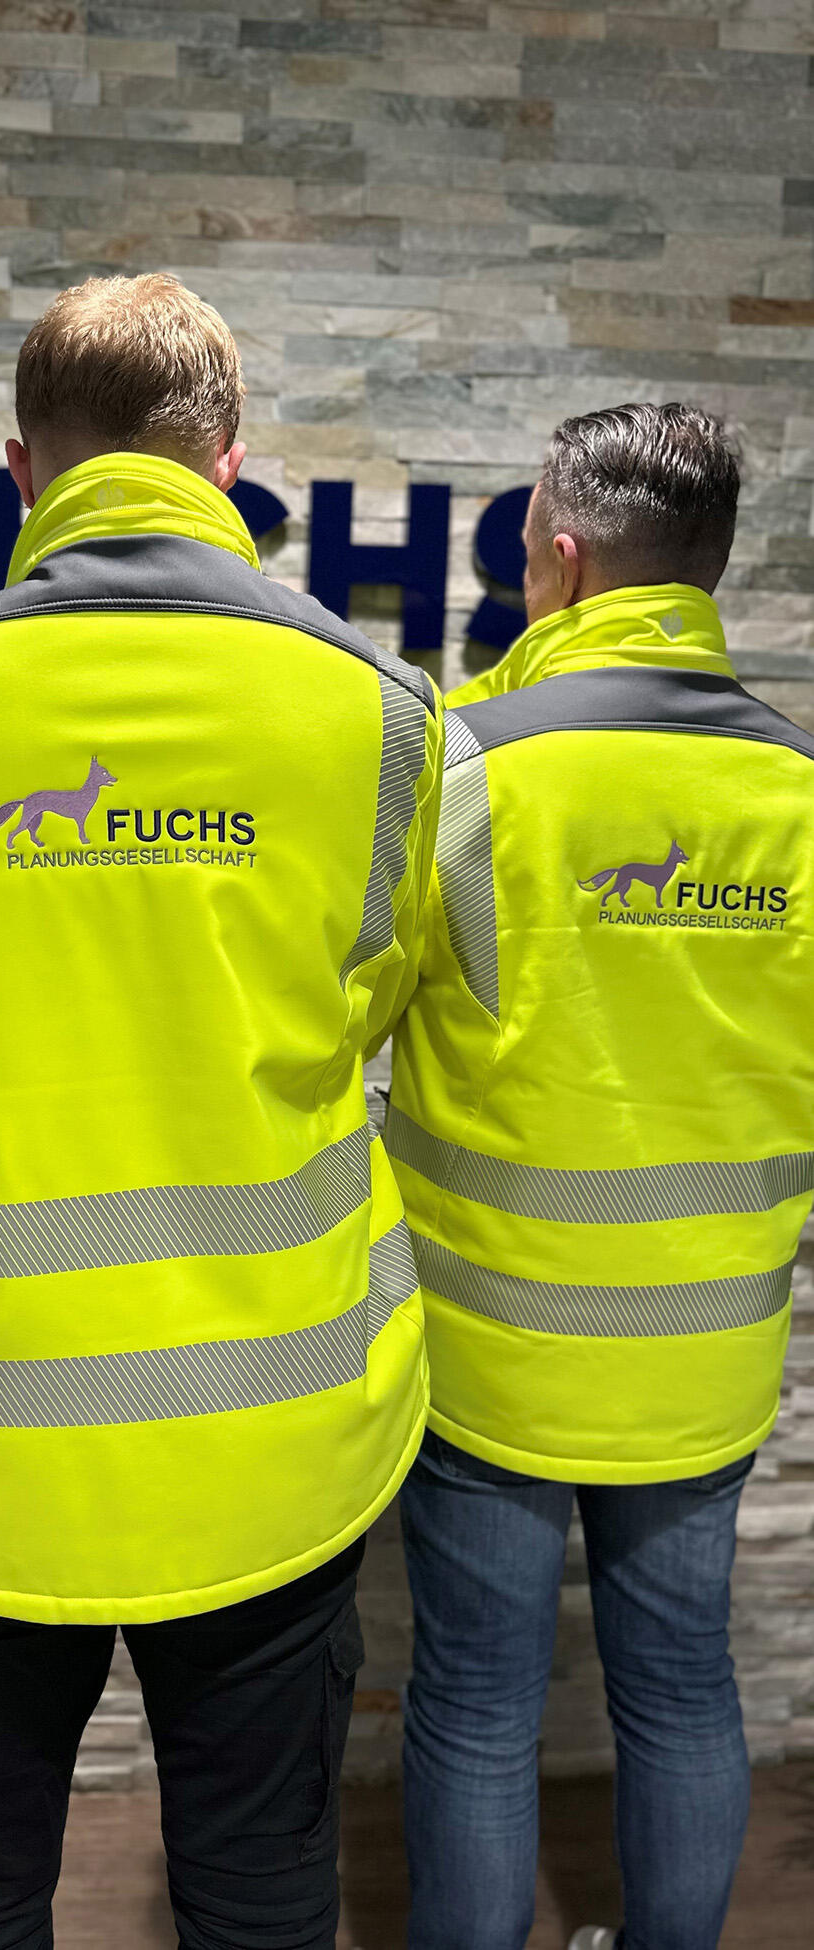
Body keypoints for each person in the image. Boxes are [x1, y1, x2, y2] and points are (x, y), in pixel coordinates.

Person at [0, 272, 444, 1950]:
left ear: (23, 469)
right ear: (229, 463)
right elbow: (371, 1001)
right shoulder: (386, 719)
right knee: (260, 1893)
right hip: (274, 1442)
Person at [388, 402, 814, 1950]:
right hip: (707, 1344)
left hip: (491, 1341)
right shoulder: (804, 787)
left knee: (477, 1697)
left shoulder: (462, 761)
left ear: (561, 560)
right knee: (686, 1683)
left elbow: (358, 1005)